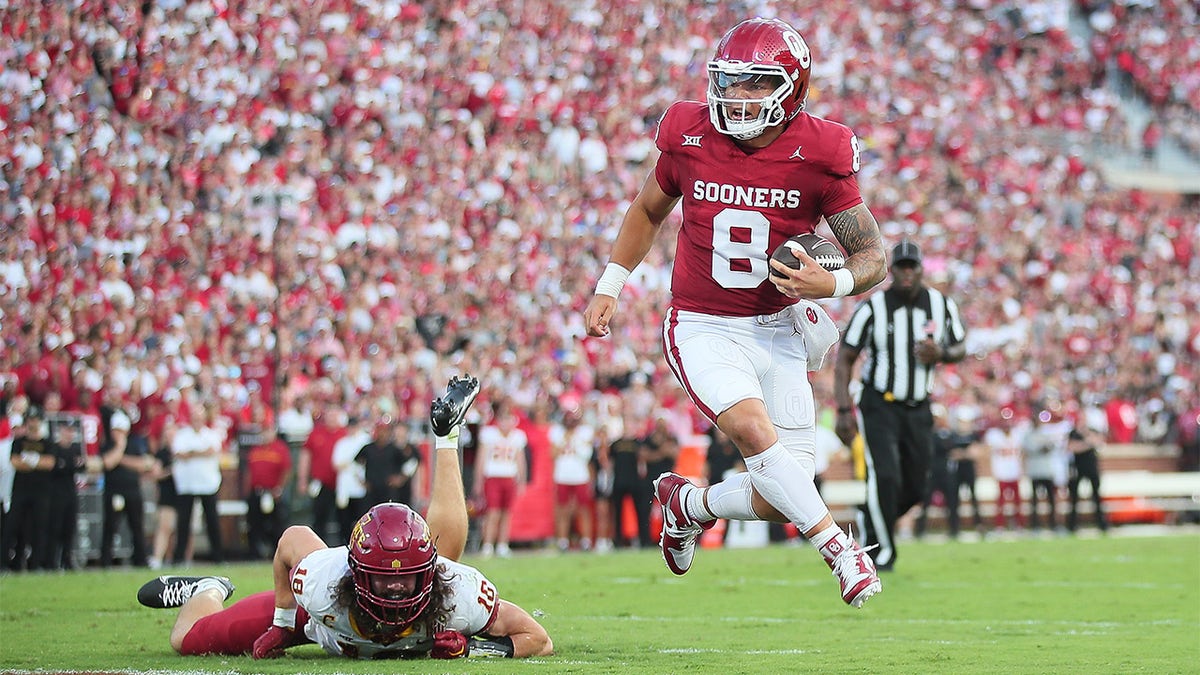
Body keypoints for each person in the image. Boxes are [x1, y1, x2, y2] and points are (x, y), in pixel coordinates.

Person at [583, 17, 887, 607]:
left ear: (791, 88)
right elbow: (648, 210)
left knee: (779, 493)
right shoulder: (690, 135)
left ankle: (689, 505)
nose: (738, 97)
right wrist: (610, 283)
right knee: (751, 432)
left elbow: (872, 252)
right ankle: (839, 548)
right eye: (730, 82)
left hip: (778, 327)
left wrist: (835, 280)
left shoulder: (820, 151)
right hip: (703, 323)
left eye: (756, 84)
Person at [136, 376, 553, 660]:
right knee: (189, 641)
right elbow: (293, 539)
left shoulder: (457, 594)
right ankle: (207, 588)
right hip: (320, 623)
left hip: (416, 595)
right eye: (383, 577)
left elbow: (538, 638)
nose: (393, 590)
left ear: (430, 574)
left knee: (447, 552)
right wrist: (284, 622)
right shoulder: (321, 586)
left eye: (405, 578)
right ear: (354, 570)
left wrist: (475, 647)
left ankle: (446, 437)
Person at [833, 239, 966, 571]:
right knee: (885, 476)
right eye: (901, 268)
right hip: (880, 404)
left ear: (921, 270)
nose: (907, 274)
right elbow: (845, 358)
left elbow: (960, 346)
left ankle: (871, 517)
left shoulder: (940, 304)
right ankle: (884, 553)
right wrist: (844, 410)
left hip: (919, 406)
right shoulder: (873, 308)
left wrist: (943, 354)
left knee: (919, 483)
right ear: (892, 271)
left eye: (912, 267)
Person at [473, 403, 528, 558]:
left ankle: (503, 544)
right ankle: (488, 544)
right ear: (498, 420)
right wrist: (478, 480)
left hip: (509, 477)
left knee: (507, 513)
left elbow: (520, 460)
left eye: (509, 419)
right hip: (493, 476)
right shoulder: (489, 434)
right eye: (503, 419)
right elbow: (481, 458)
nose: (506, 423)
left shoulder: (518, 436)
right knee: (493, 512)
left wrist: (522, 480)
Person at [549, 405, 595, 552]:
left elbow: (586, 455)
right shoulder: (557, 433)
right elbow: (553, 454)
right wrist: (564, 439)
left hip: (580, 475)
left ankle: (586, 540)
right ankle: (562, 540)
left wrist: (574, 440)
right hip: (562, 475)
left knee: (583, 509)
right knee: (562, 509)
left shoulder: (585, 433)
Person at [1066, 417, 1108, 533]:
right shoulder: (1073, 433)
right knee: (1074, 498)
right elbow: (1072, 447)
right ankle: (1072, 525)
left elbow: (1099, 442)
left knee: (1096, 497)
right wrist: (1087, 443)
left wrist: (1086, 441)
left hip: (1091, 468)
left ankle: (1102, 524)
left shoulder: (1092, 430)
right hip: (1078, 468)